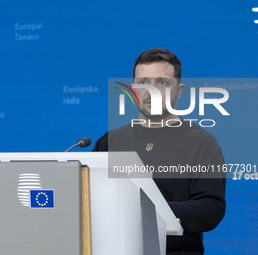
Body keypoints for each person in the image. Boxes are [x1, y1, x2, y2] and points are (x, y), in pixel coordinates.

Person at [92, 48, 226, 254]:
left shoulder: (202, 143)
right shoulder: (110, 141)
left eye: (162, 83)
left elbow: (211, 208)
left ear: (179, 91)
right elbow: (88, 195)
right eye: (143, 83)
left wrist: (155, 209)